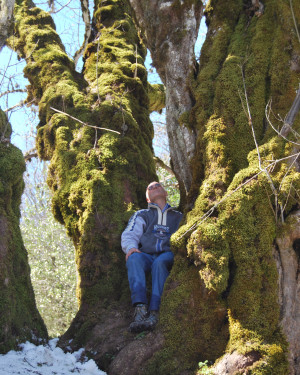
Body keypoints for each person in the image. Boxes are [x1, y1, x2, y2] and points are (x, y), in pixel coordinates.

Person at [121, 181, 182, 332]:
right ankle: (140, 310)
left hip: (167, 255)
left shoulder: (178, 216)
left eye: (158, 185)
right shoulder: (143, 214)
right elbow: (130, 233)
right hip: (147, 255)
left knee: (160, 263)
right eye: (150, 188)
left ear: (166, 192)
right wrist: (131, 247)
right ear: (148, 199)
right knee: (134, 258)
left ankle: (155, 312)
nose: (154, 188)